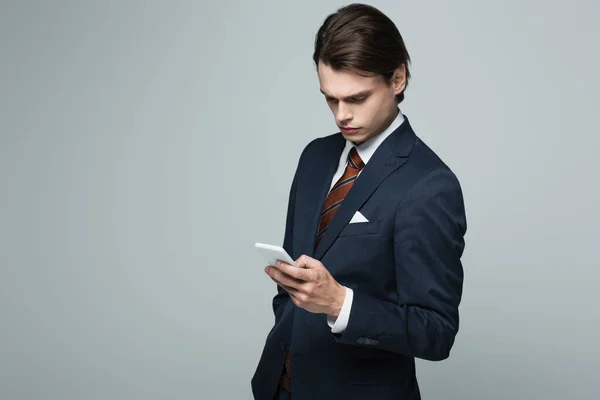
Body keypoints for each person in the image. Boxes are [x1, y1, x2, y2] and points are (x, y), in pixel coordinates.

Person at [251, 3, 467, 399]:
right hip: (277, 387)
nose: (342, 115)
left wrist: (339, 303)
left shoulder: (429, 184)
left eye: (357, 98)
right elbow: (292, 288)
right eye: (330, 99)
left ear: (397, 78)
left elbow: (436, 333)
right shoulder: (315, 157)